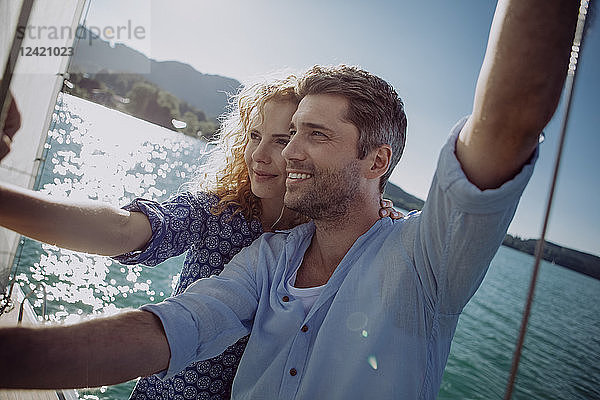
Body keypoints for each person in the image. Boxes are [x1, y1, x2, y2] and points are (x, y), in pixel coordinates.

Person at [0, 0, 579, 398]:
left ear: (377, 161)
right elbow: (174, 326)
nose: (287, 154)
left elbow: (507, 123)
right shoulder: (267, 254)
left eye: (314, 135)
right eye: (287, 131)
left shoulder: (426, 261)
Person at [0, 76, 400, 399]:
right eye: (254, 135)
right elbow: (127, 229)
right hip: (167, 389)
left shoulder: (325, 238)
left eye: (281, 140)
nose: (259, 155)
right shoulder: (220, 210)